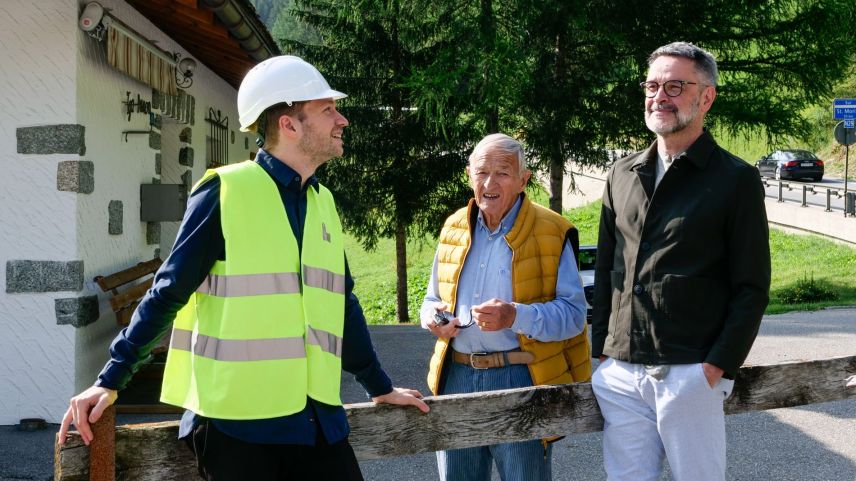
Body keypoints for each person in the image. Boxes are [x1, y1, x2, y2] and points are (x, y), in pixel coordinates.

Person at [58, 55, 429, 481]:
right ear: (289, 124)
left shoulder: (322, 201)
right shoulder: (224, 192)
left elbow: (341, 304)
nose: (341, 120)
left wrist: (379, 387)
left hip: (318, 422)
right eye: (328, 110)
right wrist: (110, 380)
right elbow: (169, 291)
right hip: (237, 431)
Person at [590, 42, 771, 481]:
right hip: (621, 371)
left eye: (675, 86)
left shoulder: (736, 180)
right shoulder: (621, 174)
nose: (660, 96)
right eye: (652, 85)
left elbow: (752, 287)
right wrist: (602, 355)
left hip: (690, 372)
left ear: (705, 97)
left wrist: (715, 368)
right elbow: (607, 270)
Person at [420, 133, 591, 481]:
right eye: (482, 172)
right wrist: (433, 318)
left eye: (502, 173)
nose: (490, 183)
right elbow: (430, 301)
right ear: (469, 174)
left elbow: (574, 317)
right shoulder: (454, 227)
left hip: (522, 377)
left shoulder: (553, 230)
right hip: (457, 376)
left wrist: (515, 316)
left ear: (523, 180)